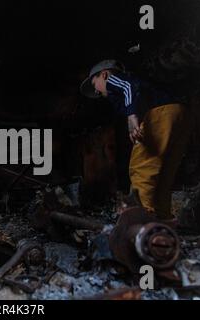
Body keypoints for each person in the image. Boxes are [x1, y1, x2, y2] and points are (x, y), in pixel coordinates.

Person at [80, 60, 191, 221]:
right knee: (164, 173)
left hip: (161, 114)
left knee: (142, 168)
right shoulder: (138, 90)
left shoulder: (113, 79)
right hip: (181, 113)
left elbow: (127, 86)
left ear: (103, 74)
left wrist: (131, 116)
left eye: (94, 83)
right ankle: (162, 222)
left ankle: (143, 220)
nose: (96, 91)